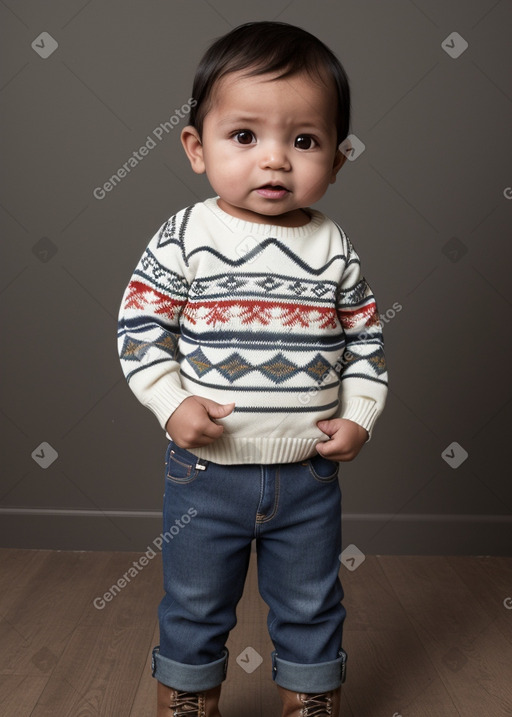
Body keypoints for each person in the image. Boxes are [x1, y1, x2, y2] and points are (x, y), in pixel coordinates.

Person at [118, 20, 387, 717]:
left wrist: (359, 416)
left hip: (307, 473)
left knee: (310, 596)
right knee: (196, 595)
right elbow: (141, 332)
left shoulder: (334, 247)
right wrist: (173, 404)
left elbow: (365, 347)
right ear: (195, 147)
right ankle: (187, 694)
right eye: (245, 136)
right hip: (206, 472)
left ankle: (310, 695)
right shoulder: (185, 237)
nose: (275, 161)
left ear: (338, 155)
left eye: (304, 140)